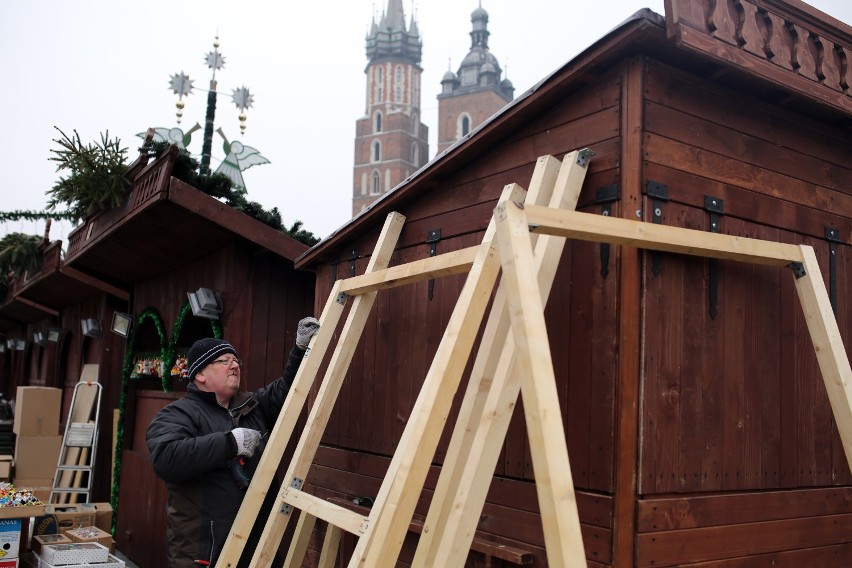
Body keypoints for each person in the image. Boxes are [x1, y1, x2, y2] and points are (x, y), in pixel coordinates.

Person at [146, 317, 320, 568]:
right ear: (200, 374)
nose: (234, 365)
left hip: (258, 547)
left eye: (235, 360)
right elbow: (166, 458)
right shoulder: (177, 414)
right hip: (207, 552)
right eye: (223, 361)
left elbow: (288, 391)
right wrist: (230, 443)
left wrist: (301, 350)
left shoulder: (251, 406)